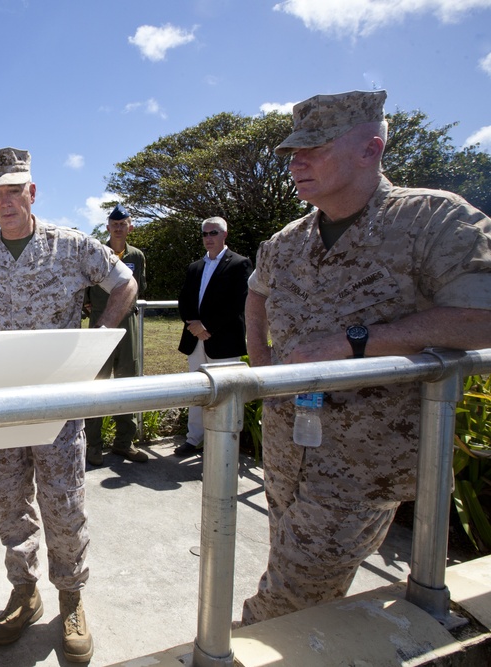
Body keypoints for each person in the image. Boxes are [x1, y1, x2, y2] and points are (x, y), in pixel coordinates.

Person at [240, 90, 491, 626]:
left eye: (315, 148)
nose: (295, 162)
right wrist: (260, 363)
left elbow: (482, 317)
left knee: (289, 596)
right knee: (293, 564)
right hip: (289, 445)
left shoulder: (433, 220)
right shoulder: (285, 241)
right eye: (292, 151)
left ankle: (233, 646)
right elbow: (256, 293)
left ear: (370, 149)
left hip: (364, 462)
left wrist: (353, 342)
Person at [0, 147, 137, 663]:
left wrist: (98, 343)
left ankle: (71, 598)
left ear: (33, 192)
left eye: (14, 192)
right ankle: (24, 594)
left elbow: (125, 285)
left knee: (63, 501)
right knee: (9, 501)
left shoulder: (71, 246)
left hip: (58, 402)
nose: (5, 203)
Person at [174, 216, 252, 457]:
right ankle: (194, 438)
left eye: (214, 233)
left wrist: (206, 325)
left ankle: (225, 445)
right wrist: (194, 326)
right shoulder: (194, 266)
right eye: (205, 234)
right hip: (195, 339)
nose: (209, 238)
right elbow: (184, 299)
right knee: (196, 391)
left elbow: (239, 302)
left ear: (224, 234)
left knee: (226, 394)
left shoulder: (240, 264)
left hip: (224, 341)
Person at [84, 204, 148, 465]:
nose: (118, 227)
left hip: (128, 323)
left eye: (123, 224)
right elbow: (86, 286)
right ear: (108, 226)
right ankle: (93, 445)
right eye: (114, 223)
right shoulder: (98, 252)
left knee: (128, 380)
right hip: (100, 322)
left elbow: (139, 287)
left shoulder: (137, 256)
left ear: (129, 226)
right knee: (96, 382)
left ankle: (124, 442)